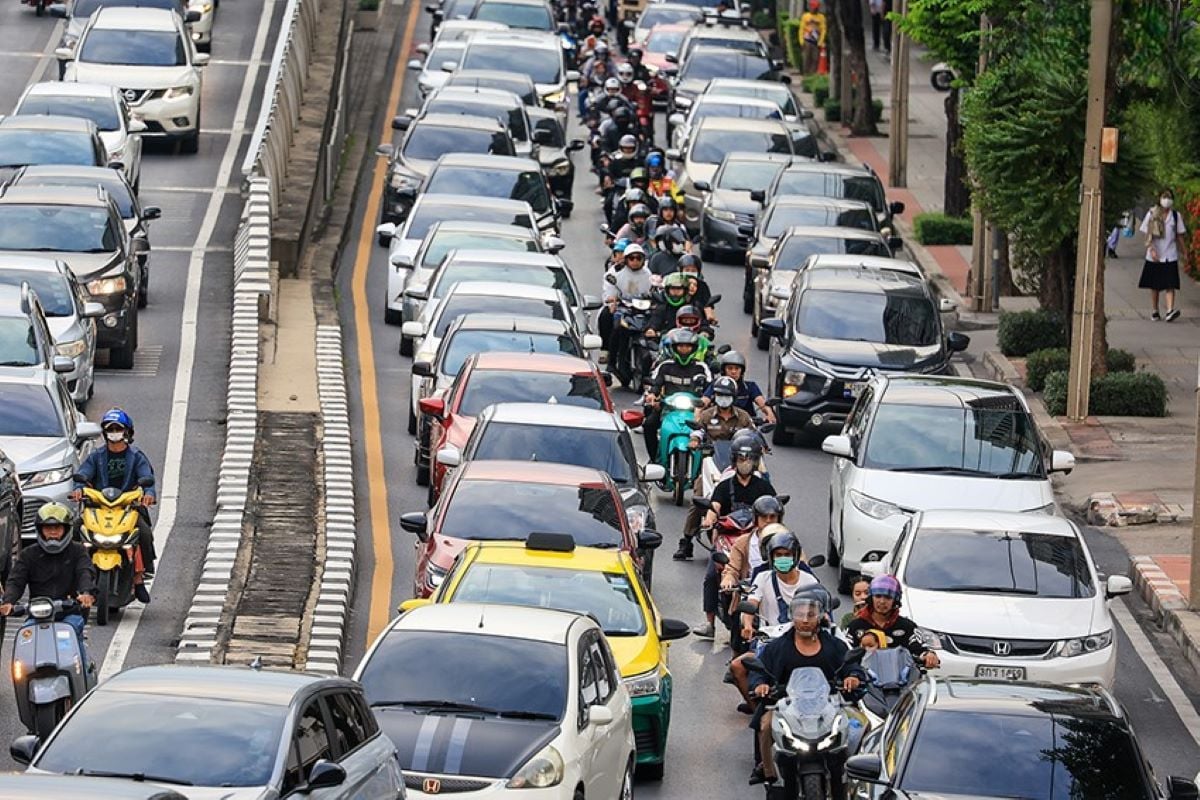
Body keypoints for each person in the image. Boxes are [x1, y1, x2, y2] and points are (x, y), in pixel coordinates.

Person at [748, 594, 864, 794]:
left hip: (830, 708)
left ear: (819, 616)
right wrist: (760, 686)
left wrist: (853, 677)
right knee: (766, 725)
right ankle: (770, 775)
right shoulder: (777, 648)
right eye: (800, 614)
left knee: (860, 727)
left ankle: (855, 776)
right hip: (785, 708)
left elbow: (853, 666)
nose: (804, 620)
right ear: (792, 616)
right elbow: (758, 673)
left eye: (810, 615)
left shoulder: (835, 646)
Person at [0, 502, 97, 671]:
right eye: (48, 528)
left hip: (70, 614)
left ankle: (83, 681)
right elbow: (16, 581)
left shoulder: (78, 551)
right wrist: (8, 601)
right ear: (40, 530)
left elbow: (85, 572)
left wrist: (85, 593)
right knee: (25, 642)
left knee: (73, 642)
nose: (53, 532)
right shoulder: (28, 554)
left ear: (66, 530)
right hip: (37, 616)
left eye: (57, 528)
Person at [71, 408, 156, 600]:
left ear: (127, 432)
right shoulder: (96, 456)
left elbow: (147, 478)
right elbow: (82, 476)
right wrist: (78, 488)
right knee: (75, 529)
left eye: (118, 428)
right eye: (110, 428)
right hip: (98, 507)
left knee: (143, 533)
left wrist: (148, 495)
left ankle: (139, 578)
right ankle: (73, 576)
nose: (114, 432)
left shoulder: (137, 456)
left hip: (128, 507)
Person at [676, 428, 774, 560]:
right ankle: (686, 540)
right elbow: (715, 505)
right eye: (741, 459)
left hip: (755, 534)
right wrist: (709, 519)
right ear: (734, 460)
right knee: (712, 572)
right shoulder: (724, 485)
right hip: (728, 533)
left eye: (749, 459)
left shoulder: (764, 486)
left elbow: (772, 506)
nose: (745, 463)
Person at [642, 329, 711, 459]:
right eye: (680, 346)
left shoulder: (702, 367)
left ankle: (706, 461)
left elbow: (710, 388)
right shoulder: (664, 366)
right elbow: (656, 384)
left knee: (713, 429)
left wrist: (705, 402)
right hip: (668, 407)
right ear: (674, 348)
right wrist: (652, 394)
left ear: (694, 348)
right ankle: (654, 458)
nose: (684, 349)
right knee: (649, 425)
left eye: (687, 346)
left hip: (696, 410)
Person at [845, 575, 940, 669]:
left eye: (887, 597)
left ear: (896, 600)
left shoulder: (907, 626)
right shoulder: (855, 626)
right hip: (866, 680)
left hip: (901, 681)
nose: (882, 601)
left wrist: (929, 655)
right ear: (870, 598)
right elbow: (844, 652)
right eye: (878, 596)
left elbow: (919, 648)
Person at [1139, 188, 1190, 322]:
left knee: (1170, 283)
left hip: (1170, 253)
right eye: (1164, 196)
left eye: (1169, 197)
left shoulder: (1175, 216)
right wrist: (1151, 249)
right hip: (1154, 254)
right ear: (1160, 199)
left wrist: (1184, 251)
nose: (1166, 200)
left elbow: (1179, 235)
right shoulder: (1152, 214)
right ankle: (1155, 311)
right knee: (1154, 285)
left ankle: (1169, 311)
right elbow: (1146, 234)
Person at [703, 350, 775, 424]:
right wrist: (697, 416)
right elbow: (704, 402)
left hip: (746, 427)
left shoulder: (750, 386)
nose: (733, 372)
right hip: (720, 427)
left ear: (742, 371)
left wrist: (769, 414)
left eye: (737, 368)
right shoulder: (715, 385)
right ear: (724, 370)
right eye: (730, 368)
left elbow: (762, 403)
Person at [799, 0, 826, 75]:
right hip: (807, 41)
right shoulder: (805, 16)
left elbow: (823, 30)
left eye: (816, 8)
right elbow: (801, 29)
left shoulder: (821, 17)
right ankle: (806, 75)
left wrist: (820, 41)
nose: (814, 9)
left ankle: (812, 75)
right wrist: (801, 41)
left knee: (815, 59)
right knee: (806, 59)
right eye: (813, 7)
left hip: (816, 42)